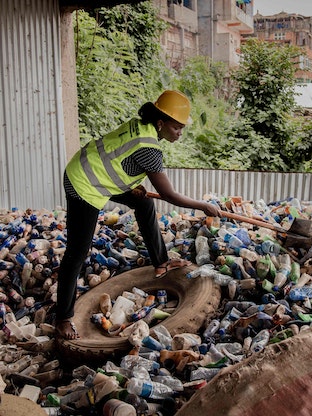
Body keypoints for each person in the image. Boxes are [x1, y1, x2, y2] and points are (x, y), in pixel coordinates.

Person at [55, 90, 222, 340]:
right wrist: (203, 206)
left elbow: (119, 156)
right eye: (177, 127)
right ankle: (63, 318)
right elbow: (168, 195)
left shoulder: (142, 127)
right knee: (77, 253)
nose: (180, 133)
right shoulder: (149, 148)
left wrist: (130, 185)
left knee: (142, 203)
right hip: (84, 183)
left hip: (97, 172)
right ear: (160, 123)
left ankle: (161, 262)